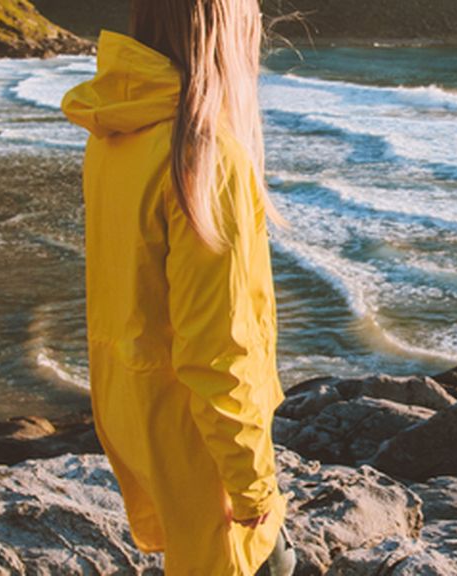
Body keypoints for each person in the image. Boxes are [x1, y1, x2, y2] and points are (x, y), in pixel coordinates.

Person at [62, 1, 294, 573]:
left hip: (140, 422)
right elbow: (218, 356)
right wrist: (256, 490)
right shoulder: (204, 156)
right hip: (202, 454)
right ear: (225, 34)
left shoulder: (115, 130)